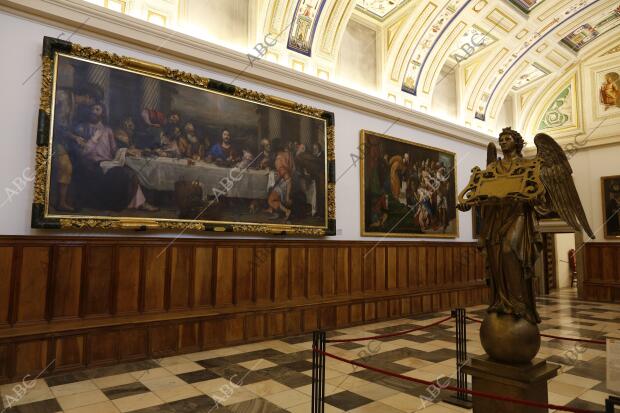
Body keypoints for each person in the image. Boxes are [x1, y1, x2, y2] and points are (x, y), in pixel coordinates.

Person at [73, 103, 157, 212]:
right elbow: (83, 152)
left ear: (102, 113)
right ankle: (127, 204)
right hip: (91, 163)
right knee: (121, 174)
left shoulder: (107, 130)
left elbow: (114, 150)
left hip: (107, 162)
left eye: (97, 109)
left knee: (132, 174)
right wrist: (94, 139)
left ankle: (138, 203)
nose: (93, 111)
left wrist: (127, 151)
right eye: (92, 108)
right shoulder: (82, 128)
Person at [52, 83, 102, 211]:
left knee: (79, 164)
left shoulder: (74, 103)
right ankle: (61, 202)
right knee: (66, 166)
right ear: (88, 96)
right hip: (54, 140)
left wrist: (76, 138)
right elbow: (57, 127)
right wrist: (75, 138)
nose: (91, 105)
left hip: (62, 140)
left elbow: (64, 127)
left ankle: (68, 200)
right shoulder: (63, 97)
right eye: (93, 101)